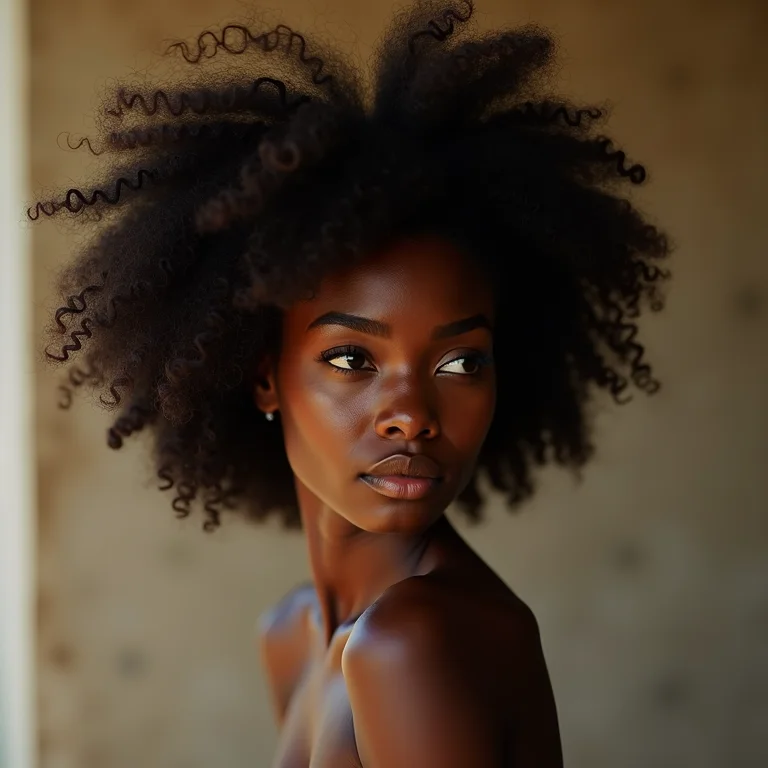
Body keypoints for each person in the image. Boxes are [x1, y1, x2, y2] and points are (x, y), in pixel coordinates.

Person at [27, 0, 672, 765]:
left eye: (461, 362)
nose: (410, 416)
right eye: (352, 360)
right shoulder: (296, 633)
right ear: (263, 374)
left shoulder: (414, 642)